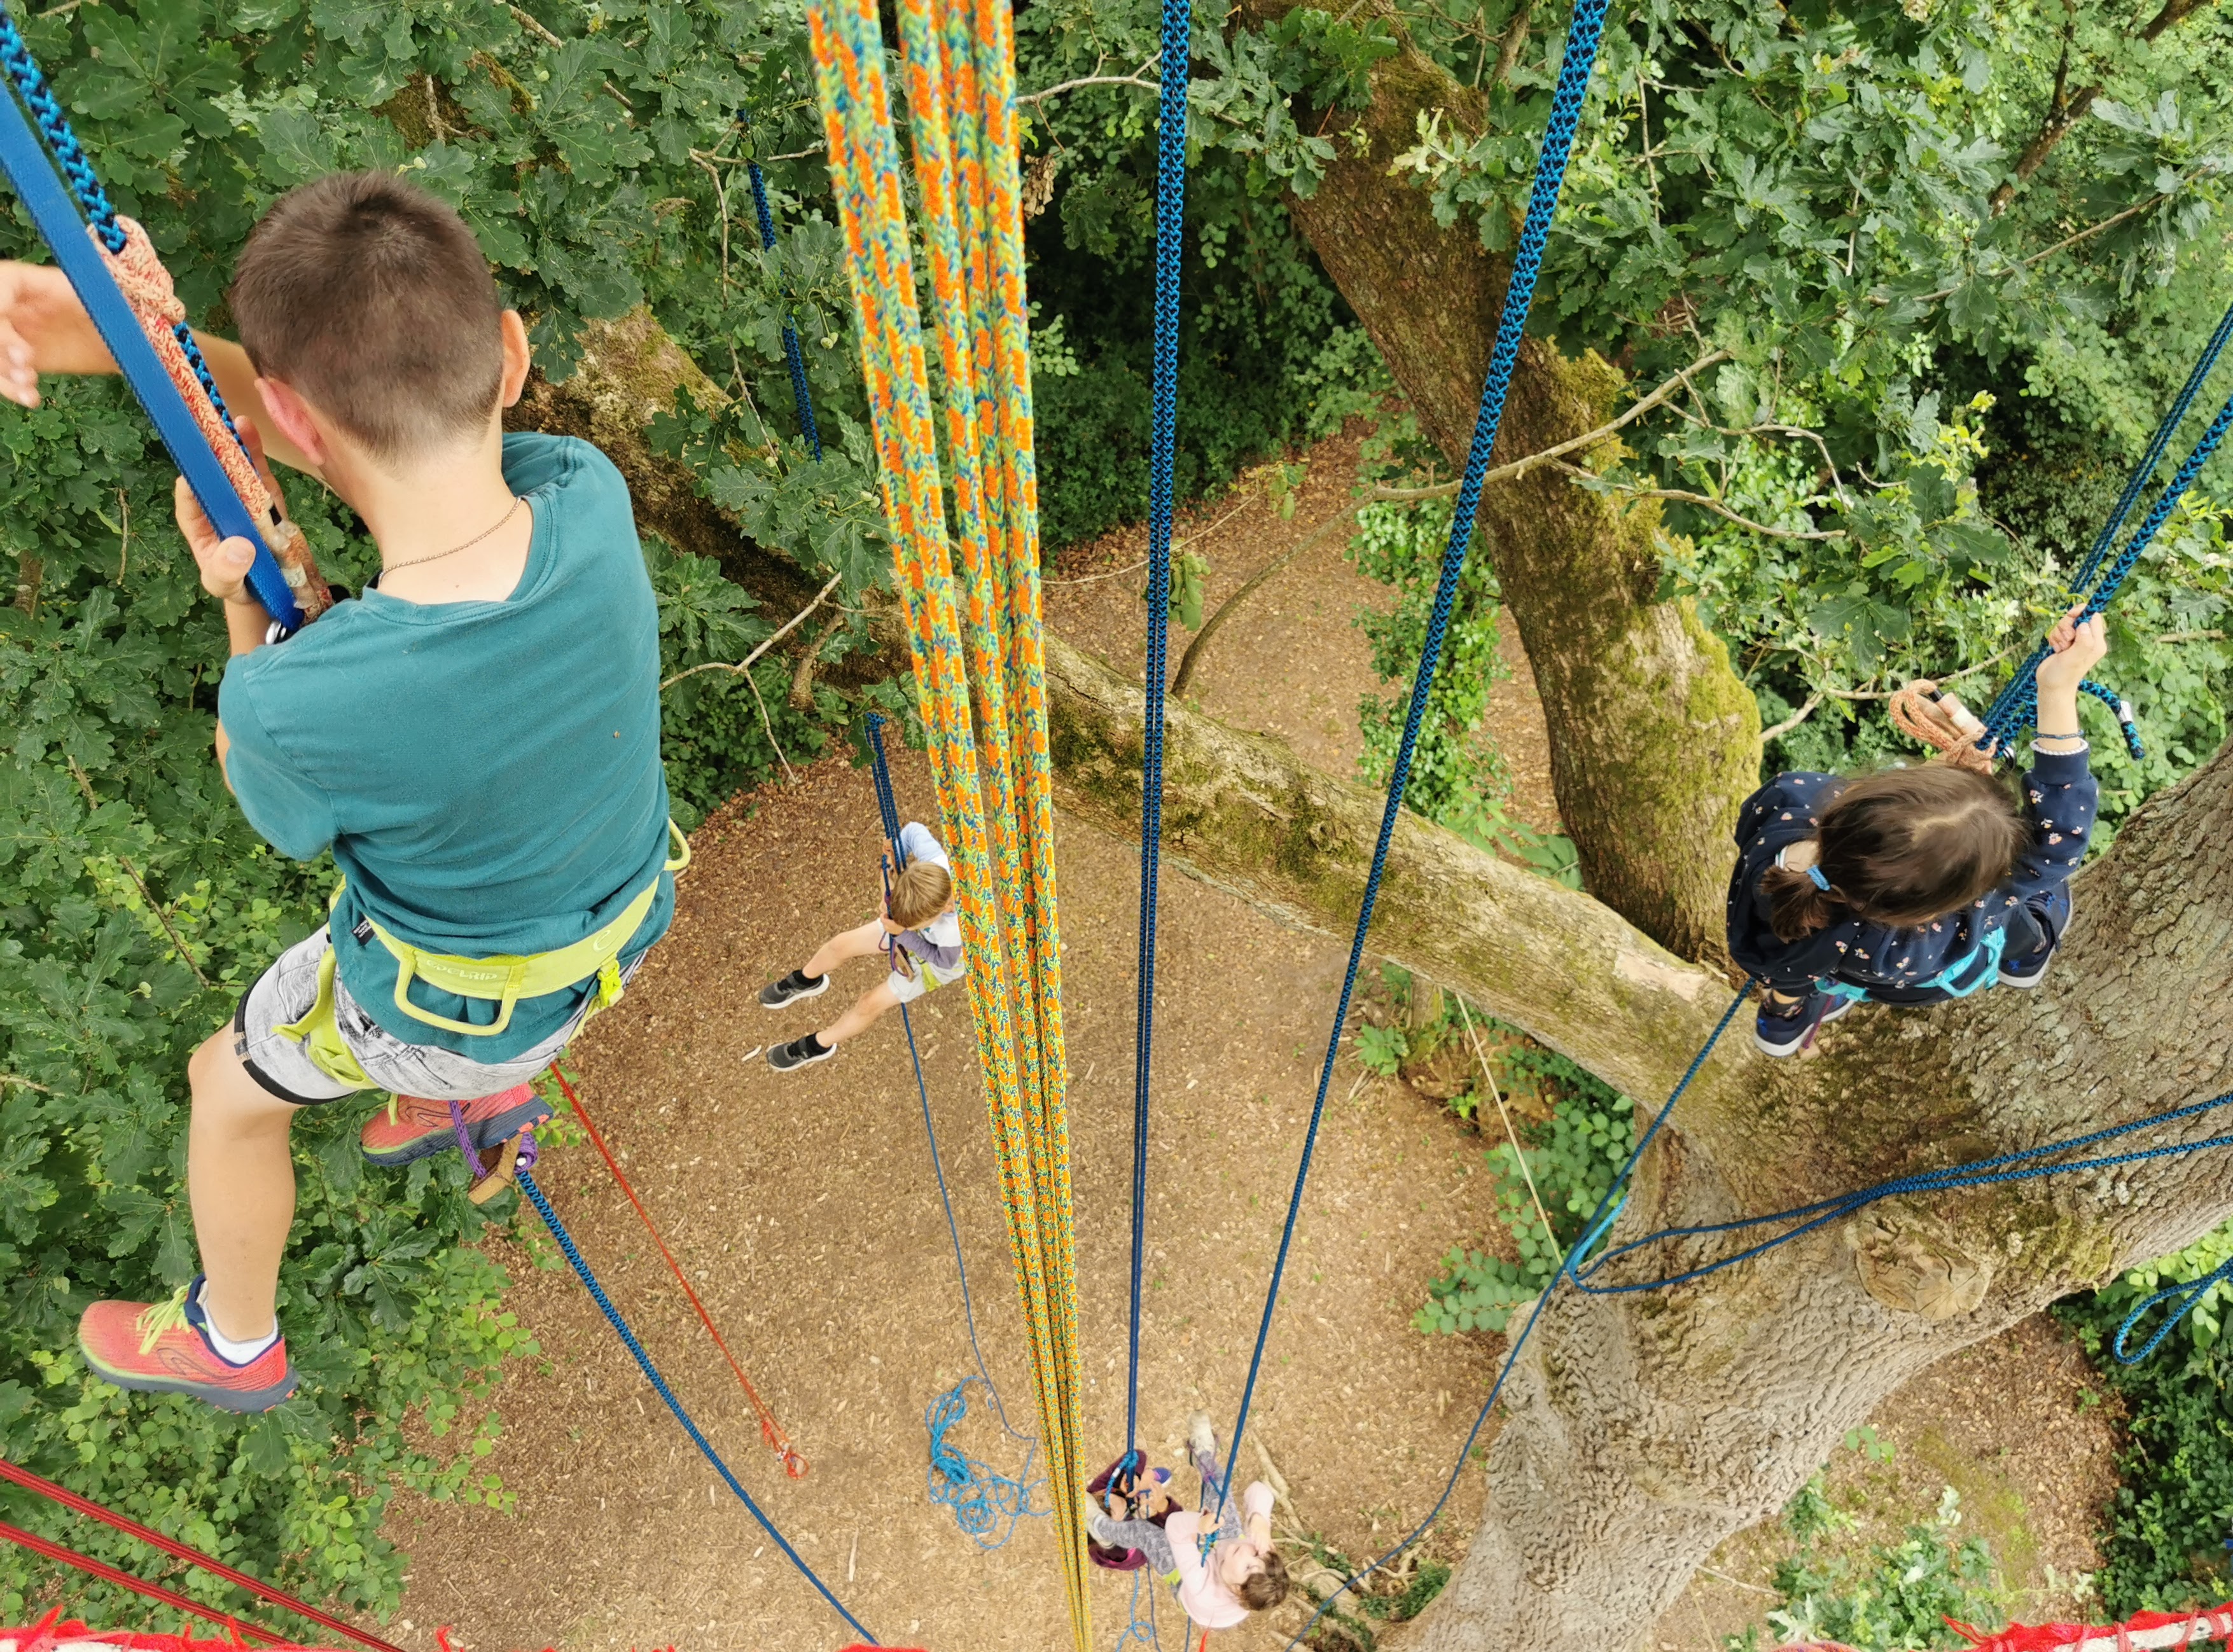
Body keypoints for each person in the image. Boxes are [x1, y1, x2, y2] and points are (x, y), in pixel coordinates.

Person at [0, 173, 681, 1412]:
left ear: (296, 430)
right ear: (514, 350)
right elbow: (394, 486)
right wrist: (126, 338)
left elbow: (268, 801)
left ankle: (235, 1334)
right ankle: (469, 1092)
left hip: (455, 1009)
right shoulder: (588, 494)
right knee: (462, 950)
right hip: (599, 953)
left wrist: (248, 623)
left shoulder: (296, 703)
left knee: (229, 1086)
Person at [1729, 603, 2106, 1057]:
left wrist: (1937, 795)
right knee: (2025, 902)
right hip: (1898, 983)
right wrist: (2058, 689)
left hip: (1811, 965)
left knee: (1791, 971)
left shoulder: (1788, 804)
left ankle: (1783, 1015)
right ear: (1947, 905)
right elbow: (2057, 844)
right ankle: (2028, 950)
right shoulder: (1932, 939)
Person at [758, 821, 961, 1071]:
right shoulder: (934, 865)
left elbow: (944, 961)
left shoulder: (954, 931)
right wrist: (893, 856)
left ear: (947, 908)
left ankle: (817, 1045)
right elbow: (913, 830)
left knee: (869, 1003)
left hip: (934, 962)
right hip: (904, 926)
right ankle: (806, 979)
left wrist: (905, 935)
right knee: (840, 945)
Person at [1081, 1413, 1289, 1629]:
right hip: (1224, 1556)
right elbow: (1258, 1490)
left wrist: (1198, 1525)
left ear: (1237, 1589)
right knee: (1219, 1487)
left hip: (1186, 1584)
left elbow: (1175, 1529)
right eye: (1256, 1554)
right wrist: (1260, 1519)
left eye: (1248, 1567)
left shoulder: (1201, 1589)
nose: (1248, 1552)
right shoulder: (1247, 1551)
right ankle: (1202, 1453)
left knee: (1146, 1534)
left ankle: (1099, 1526)